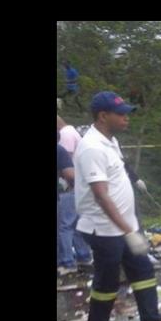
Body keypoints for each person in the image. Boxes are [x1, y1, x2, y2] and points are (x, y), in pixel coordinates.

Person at [74, 91, 161, 321]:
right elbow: (101, 195)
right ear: (103, 116)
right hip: (104, 228)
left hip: (124, 226)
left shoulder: (110, 141)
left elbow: (119, 176)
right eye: (121, 114)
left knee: (143, 272)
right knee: (107, 281)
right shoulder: (91, 147)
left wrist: (131, 222)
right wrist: (127, 230)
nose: (127, 118)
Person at [57, 118, 93, 275]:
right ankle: (84, 256)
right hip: (74, 187)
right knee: (75, 223)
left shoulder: (64, 143)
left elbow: (69, 172)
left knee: (65, 226)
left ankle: (66, 261)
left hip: (67, 190)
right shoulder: (67, 143)